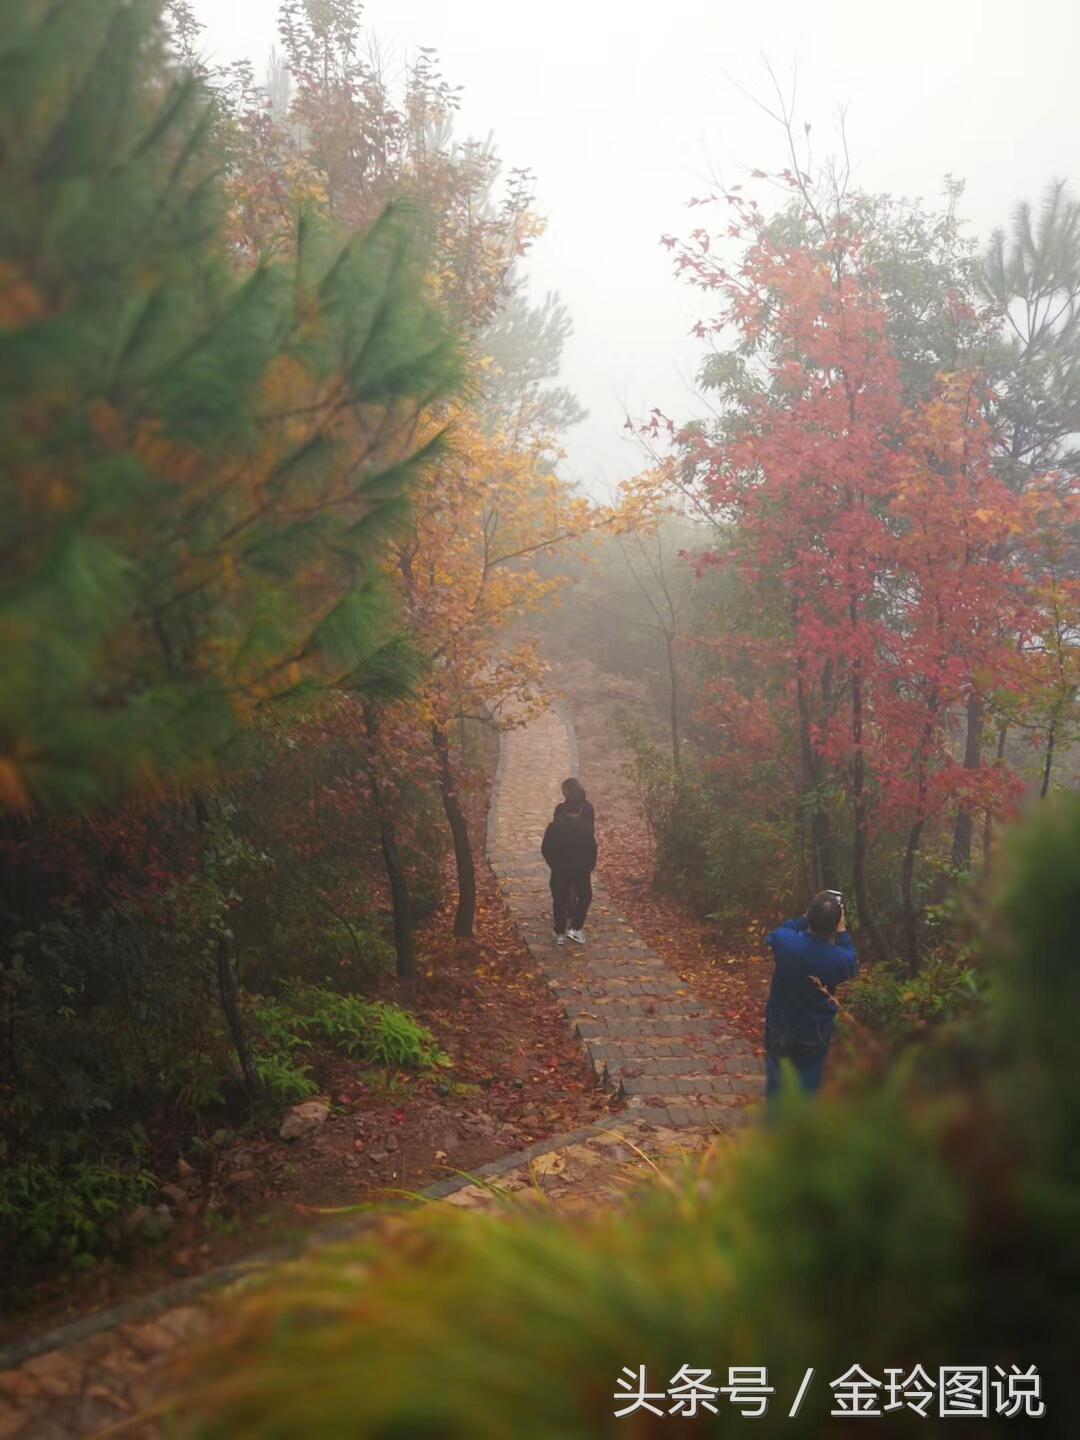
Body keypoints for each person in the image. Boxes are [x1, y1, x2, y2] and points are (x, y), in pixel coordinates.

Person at [764, 890, 857, 1104]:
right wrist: (842, 931)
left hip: (780, 1025)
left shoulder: (785, 943)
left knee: (777, 1082)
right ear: (835, 924)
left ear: (810, 916)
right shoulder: (839, 959)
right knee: (808, 1086)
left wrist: (805, 916)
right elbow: (851, 960)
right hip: (815, 1030)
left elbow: (781, 931)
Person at [541, 788, 597, 946]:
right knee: (585, 896)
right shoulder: (585, 829)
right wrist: (588, 868)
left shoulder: (554, 826)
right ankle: (576, 927)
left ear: (565, 806)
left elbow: (546, 848)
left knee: (558, 899)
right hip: (580, 871)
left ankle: (559, 933)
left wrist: (554, 864)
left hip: (559, 869)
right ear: (580, 807)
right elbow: (592, 851)